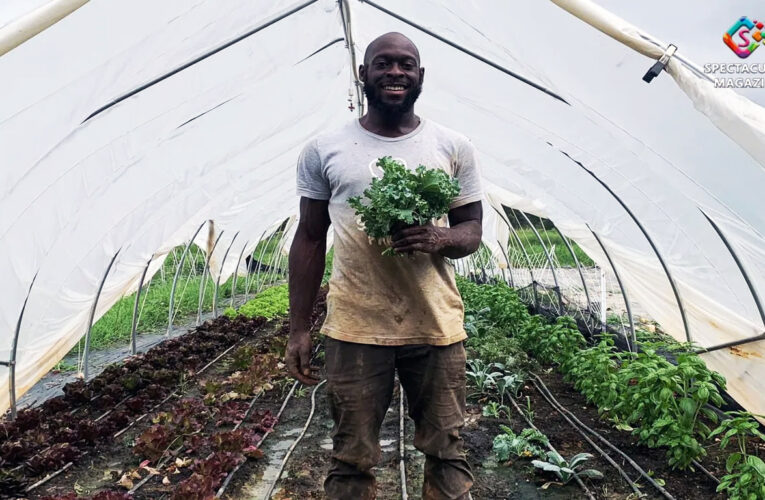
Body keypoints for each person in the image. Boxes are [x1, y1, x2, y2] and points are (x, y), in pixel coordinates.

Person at [286, 32, 483, 500]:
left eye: (406, 64)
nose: (395, 72)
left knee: (447, 451)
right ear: (364, 73)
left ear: (420, 76)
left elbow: (471, 230)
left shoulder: (453, 146)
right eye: (383, 64)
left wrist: (440, 237)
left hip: (436, 325)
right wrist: (299, 327)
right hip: (355, 327)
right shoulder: (324, 149)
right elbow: (310, 237)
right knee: (351, 458)